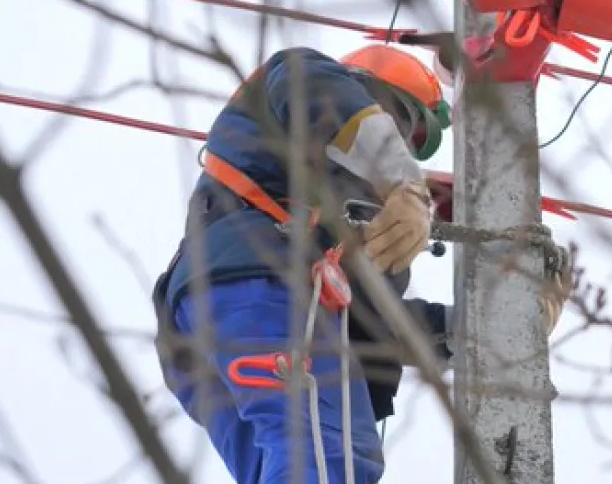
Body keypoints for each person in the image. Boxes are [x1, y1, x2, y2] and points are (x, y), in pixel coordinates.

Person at [150, 44, 569, 484]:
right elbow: (329, 102)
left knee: (313, 463)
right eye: (401, 124)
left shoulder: (337, 221)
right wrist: (407, 185)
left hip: (208, 323)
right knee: (329, 459)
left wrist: (502, 328)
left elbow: (380, 324)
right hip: (261, 284)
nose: (402, 144)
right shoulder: (308, 75)